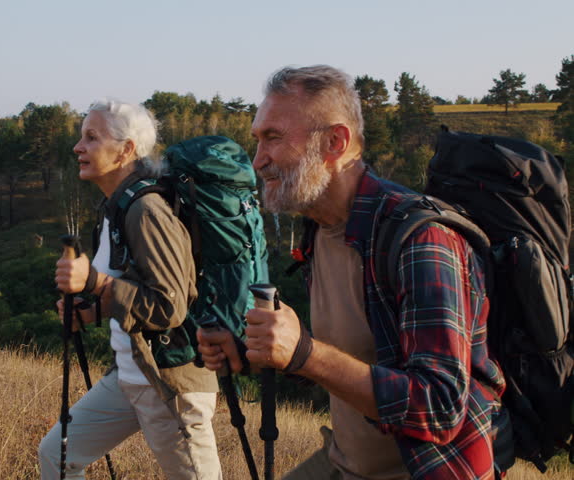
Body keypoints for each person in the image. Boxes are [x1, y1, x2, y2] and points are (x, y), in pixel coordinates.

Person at [197, 65, 509, 479]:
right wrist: (255, 351)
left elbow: (439, 409)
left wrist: (304, 353)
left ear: (334, 142)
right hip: (345, 463)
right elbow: (348, 357)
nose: (258, 161)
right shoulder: (320, 230)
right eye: (257, 140)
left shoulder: (420, 239)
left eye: (273, 138)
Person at [38, 99, 222, 479]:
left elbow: (169, 307)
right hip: (131, 373)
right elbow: (137, 289)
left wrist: (94, 283)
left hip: (169, 383)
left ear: (126, 149)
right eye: (80, 137)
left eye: (91, 137)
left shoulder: (147, 210)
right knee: (57, 455)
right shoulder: (117, 207)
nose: (78, 147)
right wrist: (91, 311)